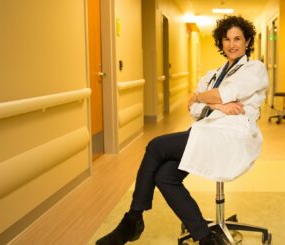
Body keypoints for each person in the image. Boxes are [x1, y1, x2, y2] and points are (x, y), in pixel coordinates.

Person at [96, 15, 268, 245]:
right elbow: (194, 107)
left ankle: (132, 221)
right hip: (206, 130)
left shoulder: (254, 69)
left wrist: (204, 97)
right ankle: (206, 239)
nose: (232, 44)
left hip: (231, 136)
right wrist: (214, 104)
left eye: (237, 38)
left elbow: (215, 95)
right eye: (226, 39)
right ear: (221, 43)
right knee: (165, 176)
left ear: (247, 41)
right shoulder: (214, 73)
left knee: (156, 146)